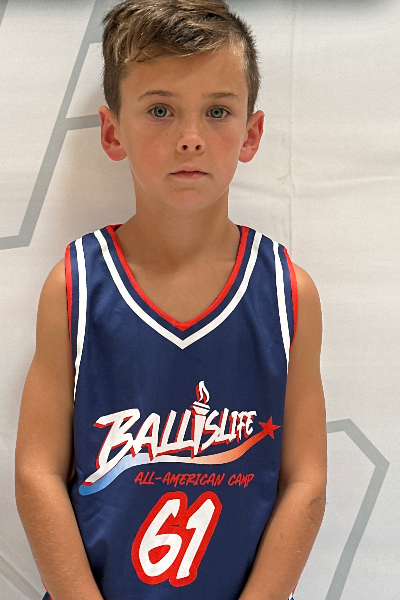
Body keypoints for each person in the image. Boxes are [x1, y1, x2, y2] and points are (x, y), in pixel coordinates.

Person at [15, 1, 327, 599]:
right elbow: (37, 474)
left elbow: (305, 482)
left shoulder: (288, 293)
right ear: (113, 131)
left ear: (251, 133)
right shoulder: (74, 287)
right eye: (160, 110)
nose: (190, 138)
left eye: (217, 111)